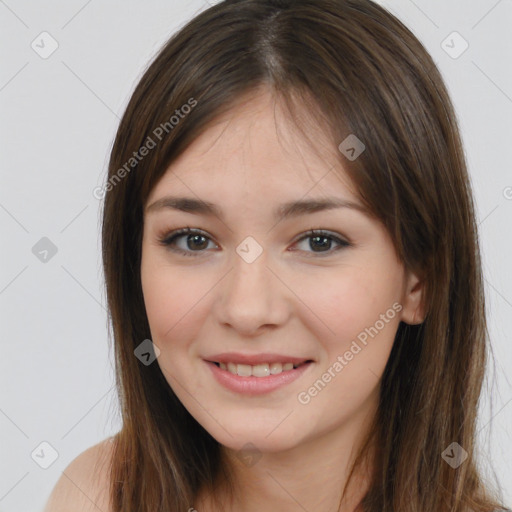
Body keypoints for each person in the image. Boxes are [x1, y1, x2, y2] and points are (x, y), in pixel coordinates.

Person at [44, 0, 510, 511]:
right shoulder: (99, 492)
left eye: (318, 241)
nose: (246, 309)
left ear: (419, 280)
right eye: (193, 239)